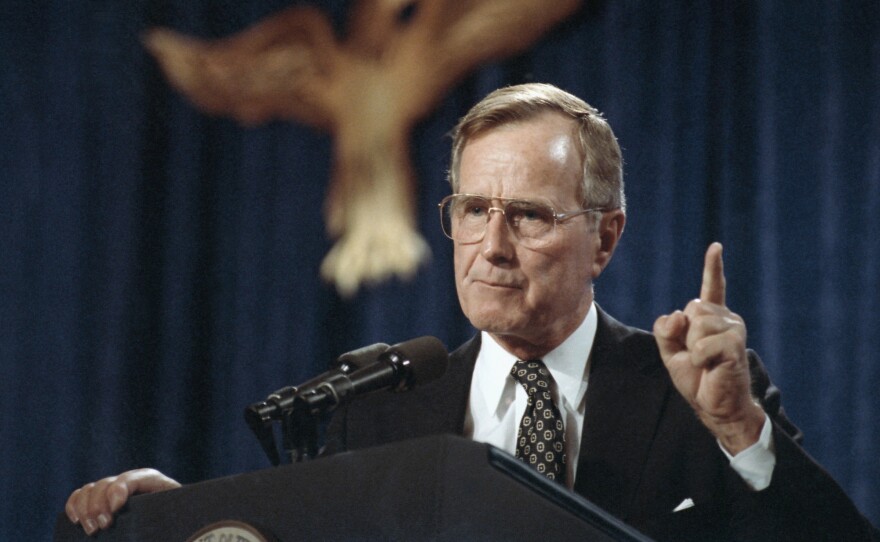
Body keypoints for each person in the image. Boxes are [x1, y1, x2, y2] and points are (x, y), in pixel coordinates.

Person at [66, 83, 878, 541]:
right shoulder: (375, 413)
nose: (491, 247)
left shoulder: (698, 397)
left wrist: (739, 430)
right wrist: (178, 519)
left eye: (527, 215)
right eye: (472, 209)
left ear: (604, 238)